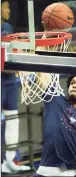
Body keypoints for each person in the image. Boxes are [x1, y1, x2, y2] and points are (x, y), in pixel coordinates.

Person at [1, 0, 30, 173]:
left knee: (13, 119)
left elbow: (10, 53)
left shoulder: (9, 28)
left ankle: (10, 160)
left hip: (9, 80)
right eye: (5, 7)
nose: (9, 10)